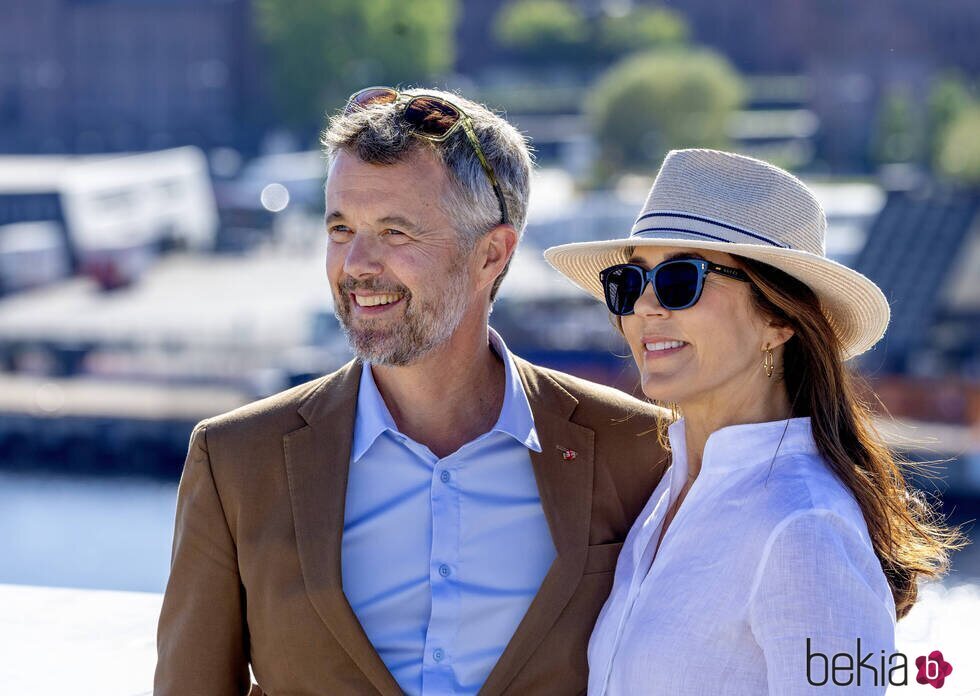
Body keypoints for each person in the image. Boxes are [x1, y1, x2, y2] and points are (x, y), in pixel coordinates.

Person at [154, 87, 669, 696]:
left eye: (395, 232)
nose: (357, 264)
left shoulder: (638, 446)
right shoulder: (236, 461)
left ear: (492, 255)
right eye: (341, 228)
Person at [544, 149, 965, 695]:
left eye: (679, 279)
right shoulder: (669, 496)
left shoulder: (804, 526)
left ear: (779, 317)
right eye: (629, 281)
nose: (645, 307)